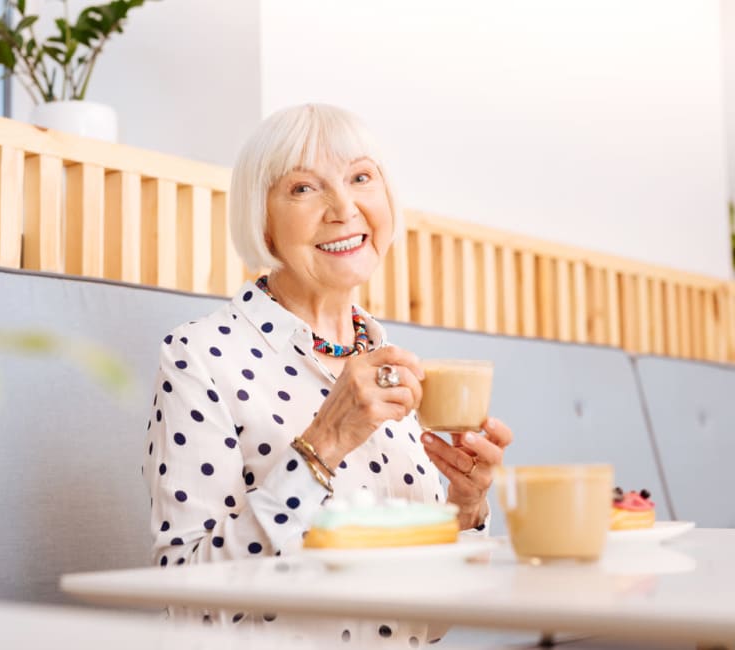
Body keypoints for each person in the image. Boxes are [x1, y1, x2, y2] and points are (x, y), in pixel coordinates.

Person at [143, 103, 513, 645]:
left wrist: (463, 510)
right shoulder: (199, 356)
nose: (344, 207)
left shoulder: (393, 368)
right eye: (303, 188)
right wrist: (323, 443)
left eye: (361, 177)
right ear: (261, 220)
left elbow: (427, 626)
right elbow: (189, 609)